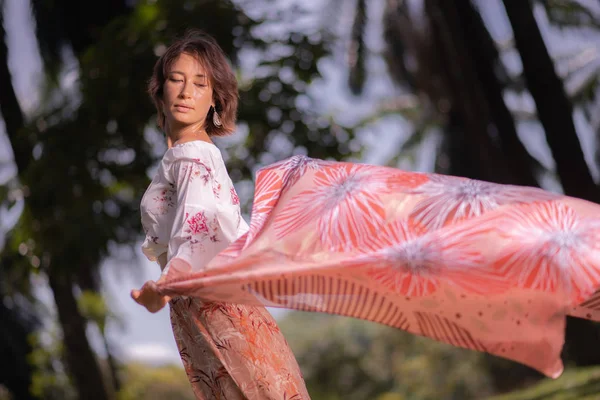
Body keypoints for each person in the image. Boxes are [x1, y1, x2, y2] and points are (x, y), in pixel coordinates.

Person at [131, 29, 310, 399]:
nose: (185, 92)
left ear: (215, 100)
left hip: (215, 309)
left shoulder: (193, 154)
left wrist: (163, 288)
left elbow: (197, 226)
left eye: (200, 84)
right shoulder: (186, 154)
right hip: (208, 308)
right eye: (176, 80)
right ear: (161, 90)